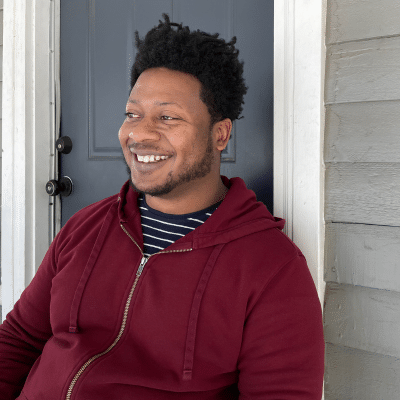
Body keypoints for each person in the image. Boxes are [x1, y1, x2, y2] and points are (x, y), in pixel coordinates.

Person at [0, 14, 324, 399]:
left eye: (167, 117)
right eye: (133, 114)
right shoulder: (86, 226)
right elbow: (19, 340)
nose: (138, 134)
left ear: (219, 134)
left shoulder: (271, 268)